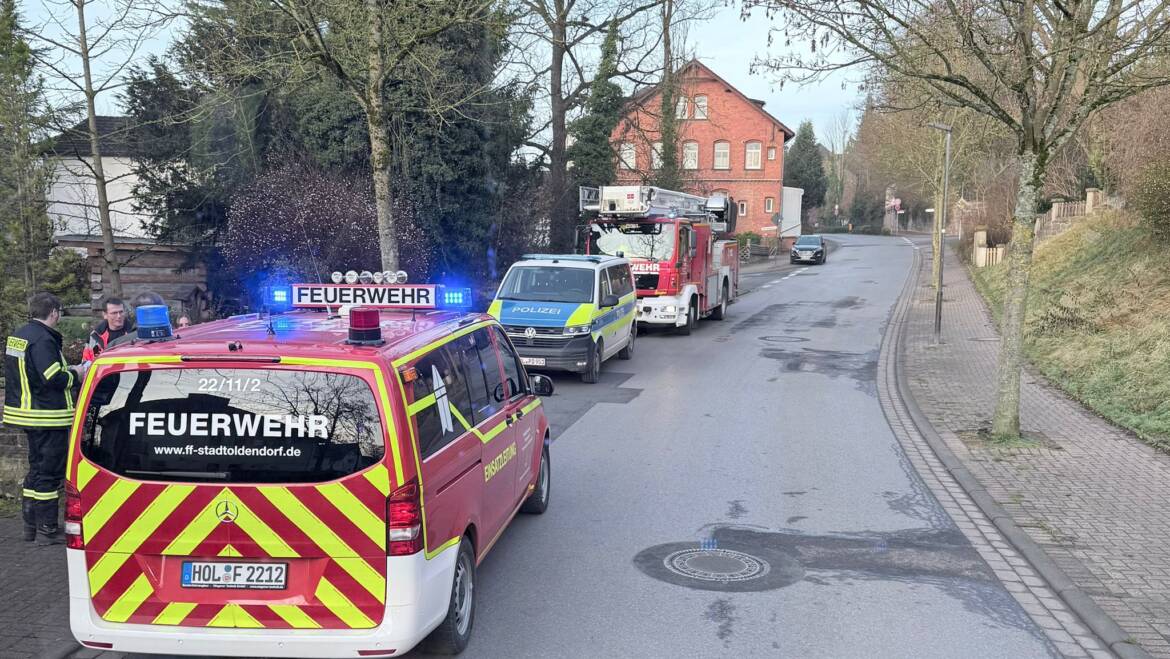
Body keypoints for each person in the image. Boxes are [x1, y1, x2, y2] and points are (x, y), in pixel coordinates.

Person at [2, 293, 88, 544]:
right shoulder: (42, 339)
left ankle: (30, 526)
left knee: (37, 471)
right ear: (53, 313)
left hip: (26, 414)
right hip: (47, 416)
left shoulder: (19, 335)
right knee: (49, 475)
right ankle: (47, 530)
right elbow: (52, 378)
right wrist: (76, 373)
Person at [82, 296, 132, 362]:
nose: (119, 316)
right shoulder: (95, 336)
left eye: (121, 312)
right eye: (114, 313)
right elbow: (86, 362)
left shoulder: (134, 333)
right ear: (105, 315)